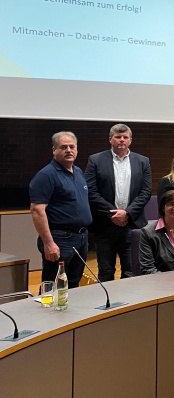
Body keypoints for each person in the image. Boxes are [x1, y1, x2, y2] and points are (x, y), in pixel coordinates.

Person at [86, 123, 152, 282]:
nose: (121, 140)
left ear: (130, 140)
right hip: (104, 225)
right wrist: (114, 214)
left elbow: (146, 192)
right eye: (118, 137)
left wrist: (127, 213)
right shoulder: (95, 160)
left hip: (132, 225)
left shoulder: (143, 161)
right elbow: (91, 191)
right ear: (110, 139)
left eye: (125, 137)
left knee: (131, 271)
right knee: (106, 271)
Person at [29, 131, 92, 288]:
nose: (69, 150)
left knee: (73, 284)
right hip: (60, 239)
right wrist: (48, 243)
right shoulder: (46, 175)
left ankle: (69, 313)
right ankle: (46, 313)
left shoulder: (78, 172)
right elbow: (37, 210)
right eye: (63, 147)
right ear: (54, 150)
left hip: (81, 238)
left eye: (72, 147)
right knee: (53, 286)